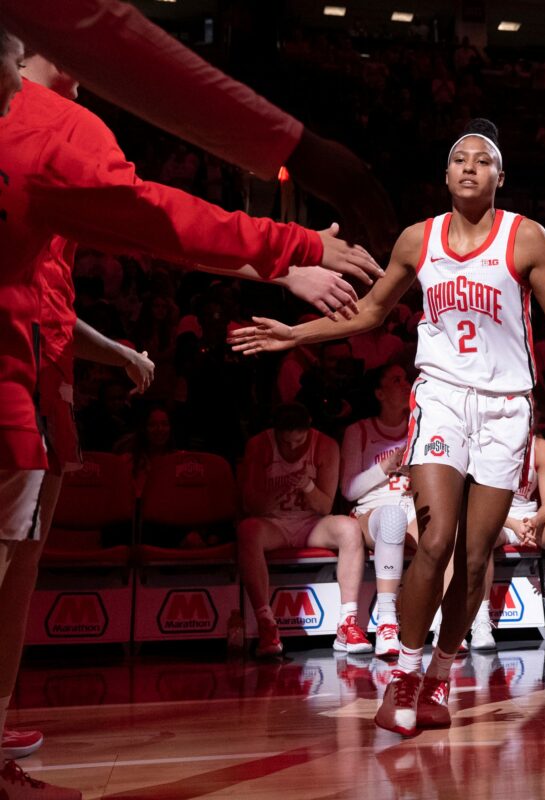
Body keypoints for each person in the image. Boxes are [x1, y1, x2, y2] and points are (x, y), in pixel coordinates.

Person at [0, 30, 379, 798]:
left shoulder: (41, 131)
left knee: (18, 566)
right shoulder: (45, 125)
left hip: (42, 381)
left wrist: (281, 266)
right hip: (15, 385)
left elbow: (137, 238)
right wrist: (291, 250)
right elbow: (160, 220)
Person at [229, 118, 545, 736]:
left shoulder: (527, 238)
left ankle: (437, 679)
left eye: (482, 160)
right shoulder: (418, 239)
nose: (468, 166)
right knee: (433, 540)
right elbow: (372, 312)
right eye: (459, 157)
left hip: (507, 407)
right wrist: (296, 334)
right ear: (445, 173)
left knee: (476, 554)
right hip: (441, 398)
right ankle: (402, 676)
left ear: (499, 178)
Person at [0, 0, 399, 256]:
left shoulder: (30, 127)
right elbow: (154, 221)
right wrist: (298, 243)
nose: (16, 85)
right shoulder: (56, 127)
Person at [238, 403, 369, 658]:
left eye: (298, 441)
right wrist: (280, 490)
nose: (292, 447)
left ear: (308, 429)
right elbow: (251, 506)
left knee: (350, 529)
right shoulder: (258, 446)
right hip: (273, 523)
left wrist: (307, 486)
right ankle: (267, 624)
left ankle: (348, 624)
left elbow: (325, 506)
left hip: (311, 522)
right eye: (286, 442)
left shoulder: (326, 445)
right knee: (247, 530)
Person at [457, 433, 545, 647]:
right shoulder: (485, 440)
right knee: (481, 535)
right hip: (498, 520)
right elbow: (475, 505)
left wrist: (535, 521)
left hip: (530, 519)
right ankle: (481, 624)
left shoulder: (540, 447)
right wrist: (514, 524)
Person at [340, 364, 419, 659]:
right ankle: (387, 622)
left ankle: (440, 621)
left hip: (411, 505)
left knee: (442, 529)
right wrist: (385, 468)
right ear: (379, 393)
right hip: (371, 512)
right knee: (391, 518)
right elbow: (348, 489)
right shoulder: (358, 431)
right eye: (396, 380)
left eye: (406, 378)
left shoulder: (418, 426)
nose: (405, 384)